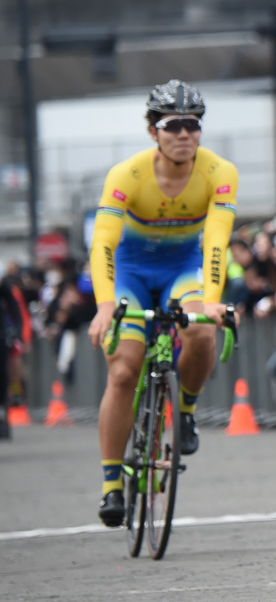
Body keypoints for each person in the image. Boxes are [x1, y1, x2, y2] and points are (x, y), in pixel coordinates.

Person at [86, 80, 238, 525]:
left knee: (202, 330)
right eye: (173, 125)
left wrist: (211, 300)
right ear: (153, 130)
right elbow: (104, 244)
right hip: (131, 273)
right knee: (123, 368)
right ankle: (112, 481)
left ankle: (185, 411)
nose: (185, 134)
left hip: (183, 270)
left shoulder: (219, 172)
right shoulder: (126, 175)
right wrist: (104, 303)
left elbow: (216, 239)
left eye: (193, 124)